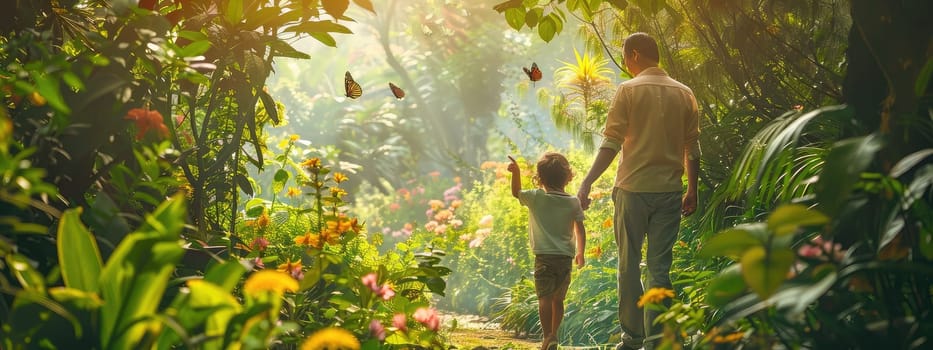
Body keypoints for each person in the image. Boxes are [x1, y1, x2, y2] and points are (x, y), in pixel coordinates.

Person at [576, 32, 700, 350]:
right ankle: (658, 341)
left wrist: (588, 180)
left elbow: (612, 142)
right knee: (660, 267)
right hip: (670, 191)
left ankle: (632, 339)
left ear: (634, 55)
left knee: (629, 265)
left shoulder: (628, 90)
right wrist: (693, 190)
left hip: (632, 189)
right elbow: (693, 148)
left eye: (625, 58)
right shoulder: (685, 93)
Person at [507, 153, 586, 350]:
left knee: (545, 298)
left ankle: (546, 336)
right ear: (568, 176)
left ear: (540, 178)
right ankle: (554, 334)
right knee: (558, 299)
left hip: (544, 258)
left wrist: (516, 172)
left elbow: (516, 192)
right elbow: (580, 229)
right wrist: (581, 253)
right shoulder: (573, 201)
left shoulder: (536, 197)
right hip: (565, 258)